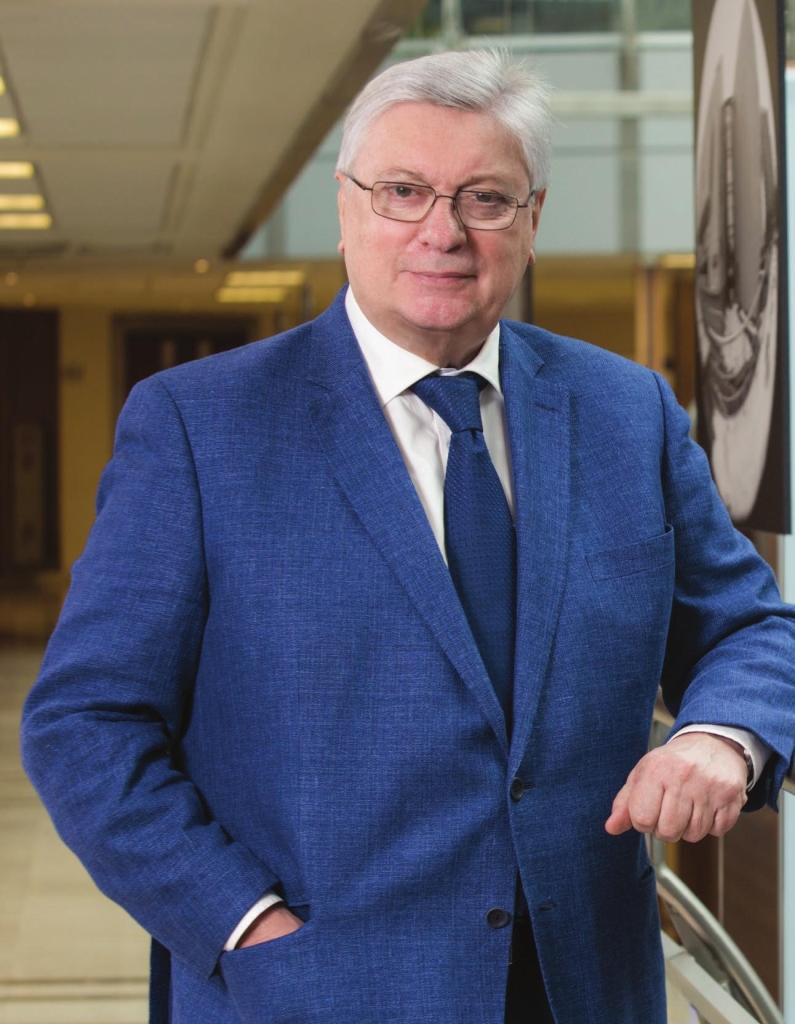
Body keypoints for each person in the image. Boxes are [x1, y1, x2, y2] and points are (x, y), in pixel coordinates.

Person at [21, 49, 795, 1024]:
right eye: (403, 191)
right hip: (311, 991)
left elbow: (749, 627)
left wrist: (723, 738)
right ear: (346, 208)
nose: (443, 231)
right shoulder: (199, 427)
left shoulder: (624, 410)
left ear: (533, 220)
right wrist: (243, 923)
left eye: (485, 198)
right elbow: (85, 724)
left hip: (585, 987)